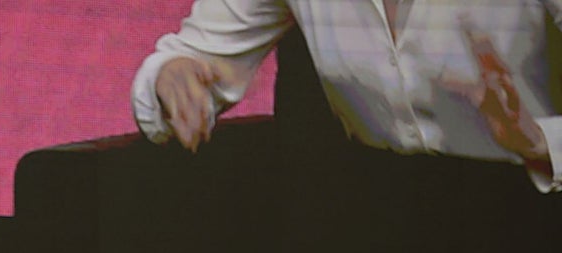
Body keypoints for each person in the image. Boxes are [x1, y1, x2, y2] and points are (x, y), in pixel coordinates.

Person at [132, 0, 562, 193]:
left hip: (531, 218)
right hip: (372, 224)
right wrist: (175, 76)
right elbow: (192, 58)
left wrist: (539, 143)